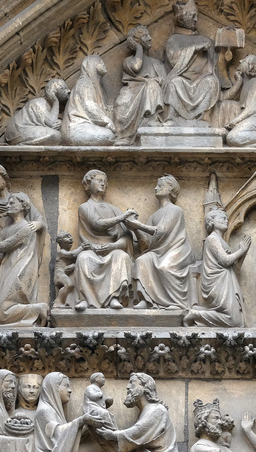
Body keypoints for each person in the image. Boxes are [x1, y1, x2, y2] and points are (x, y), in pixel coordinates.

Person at [0, 191, 49, 326]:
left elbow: (4, 245)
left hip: (22, 269)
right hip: (8, 268)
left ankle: (38, 308)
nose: (8, 205)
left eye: (12, 202)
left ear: (23, 205)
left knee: (1, 313)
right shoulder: (6, 230)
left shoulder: (27, 226)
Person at [72, 169, 141, 310]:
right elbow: (97, 223)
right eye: (98, 180)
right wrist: (123, 216)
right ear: (87, 185)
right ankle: (85, 299)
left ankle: (114, 297)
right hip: (92, 250)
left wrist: (113, 246)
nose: (102, 183)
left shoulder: (114, 209)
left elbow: (126, 236)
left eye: (104, 181)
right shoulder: (85, 207)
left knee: (122, 257)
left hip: (112, 249)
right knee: (83, 259)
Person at [134, 175, 193, 310]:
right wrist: (135, 228)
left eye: (160, 186)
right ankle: (145, 299)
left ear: (170, 188)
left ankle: (177, 303)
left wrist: (138, 225)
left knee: (165, 267)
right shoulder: (153, 216)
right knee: (141, 260)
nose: (156, 188)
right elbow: (146, 244)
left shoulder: (175, 210)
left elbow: (162, 231)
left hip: (176, 250)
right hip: (158, 251)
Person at [183, 208, 251, 327]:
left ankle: (200, 315)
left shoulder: (223, 242)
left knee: (238, 321)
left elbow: (235, 268)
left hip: (226, 281)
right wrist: (241, 250)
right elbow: (224, 261)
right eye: (222, 218)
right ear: (212, 221)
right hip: (217, 283)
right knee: (234, 321)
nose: (226, 220)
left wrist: (244, 252)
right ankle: (196, 314)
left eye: (226, 218)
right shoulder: (212, 239)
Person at [162, 0, 220, 122]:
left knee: (212, 82)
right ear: (181, 18)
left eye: (196, 16)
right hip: (182, 79)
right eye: (192, 16)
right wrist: (194, 49)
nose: (195, 19)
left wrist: (225, 53)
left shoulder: (205, 39)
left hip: (201, 79)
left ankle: (204, 116)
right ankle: (172, 116)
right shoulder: (174, 40)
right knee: (173, 83)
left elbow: (214, 65)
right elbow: (174, 60)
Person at [113, 25, 165, 144]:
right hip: (132, 93)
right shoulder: (128, 61)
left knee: (152, 85)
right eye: (145, 36)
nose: (150, 38)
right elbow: (136, 67)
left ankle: (150, 118)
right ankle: (126, 135)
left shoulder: (157, 64)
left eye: (148, 34)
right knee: (122, 104)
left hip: (151, 94)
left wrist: (155, 81)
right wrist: (139, 49)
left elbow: (165, 83)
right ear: (137, 41)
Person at [61, 55, 116, 146]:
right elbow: (89, 106)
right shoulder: (84, 83)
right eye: (99, 61)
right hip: (75, 127)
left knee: (108, 134)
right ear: (90, 65)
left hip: (84, 126)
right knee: (108, 135)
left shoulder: (93, 86)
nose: (103, 64)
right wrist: (107, 121)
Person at [222, 54, 256, 147]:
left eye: (244, 61)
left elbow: (254, 108)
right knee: (231, 138)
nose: (240, 61)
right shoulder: (246, 85)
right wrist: (238, 82)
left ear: (251, 67)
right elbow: (223, 99)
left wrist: (236, 120)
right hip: (250, 120)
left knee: (233, 137)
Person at [4, 78, 70, 145]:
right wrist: (55, 101)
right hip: (18, 132)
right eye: (63, 88)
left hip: (30, 129)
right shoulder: (40, 103)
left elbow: (53, 123)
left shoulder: (50, 106)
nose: (68, 91)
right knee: (56, 135)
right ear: (54, 92)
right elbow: (52, 124)